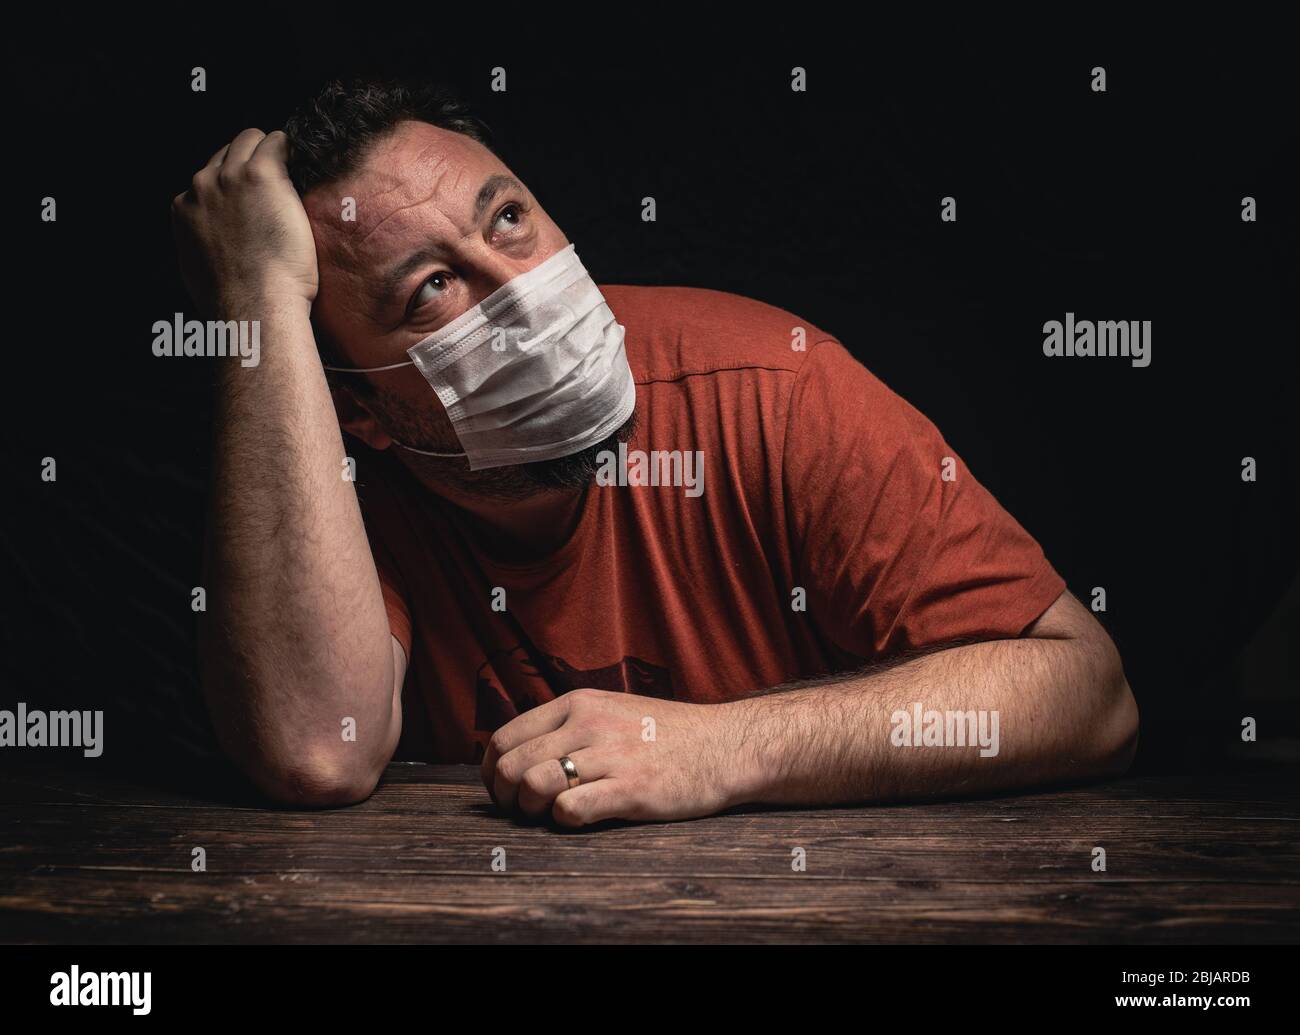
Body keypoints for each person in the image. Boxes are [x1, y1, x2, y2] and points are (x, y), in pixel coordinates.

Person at [171, 78, 1138, 827]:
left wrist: (721, 750)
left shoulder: (773, 387)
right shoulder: (340, 481)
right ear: (362, 411)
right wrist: (257, 304)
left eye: (508, 218)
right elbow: (314, 750)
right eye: (430, 288)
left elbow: (1086, 692)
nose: (519, 288)